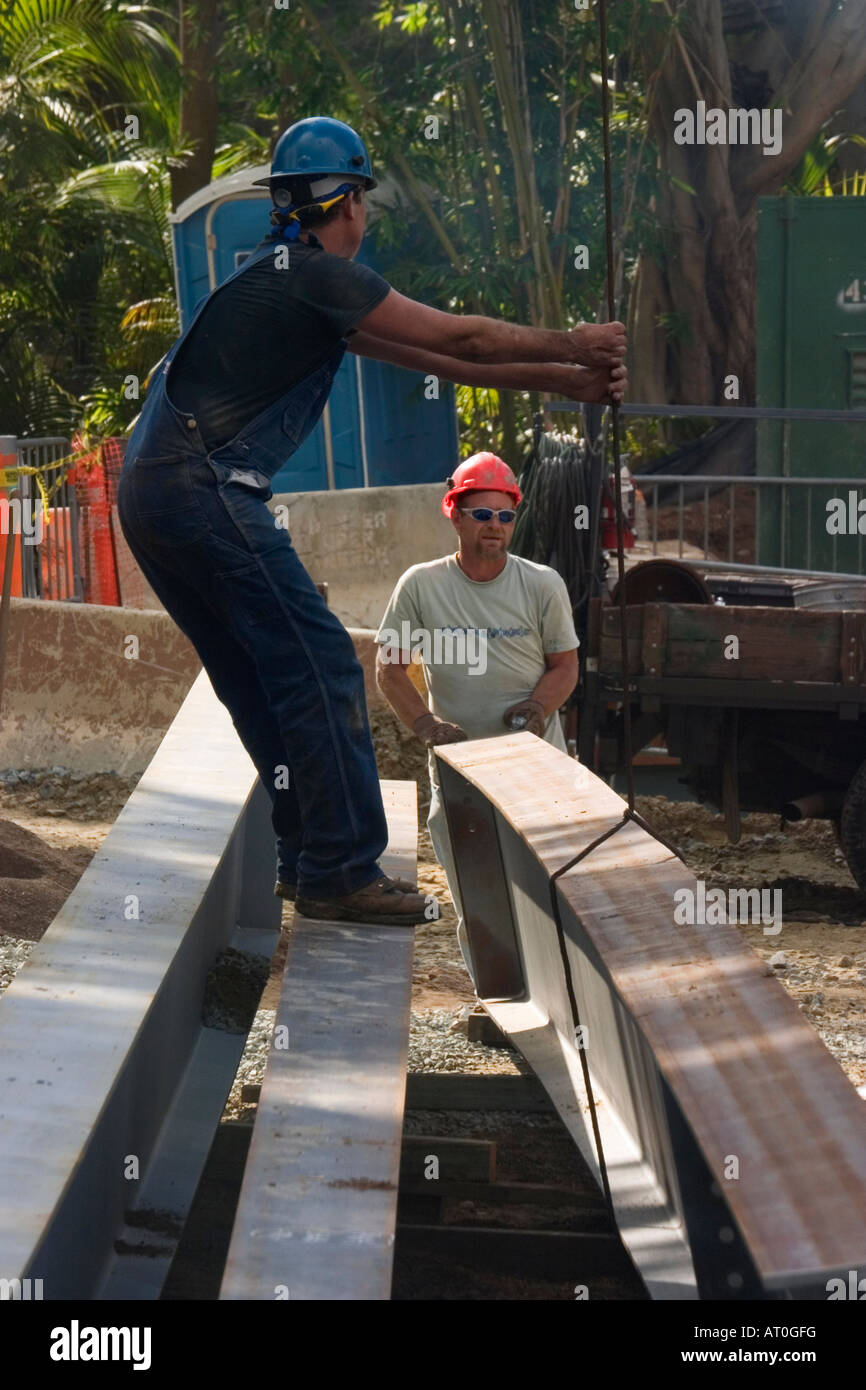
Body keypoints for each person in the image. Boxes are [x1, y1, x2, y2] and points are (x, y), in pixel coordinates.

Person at [116, 114, 626, 928]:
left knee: (261, 673)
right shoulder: (318, 277)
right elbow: (464, 335)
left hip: (150, 489)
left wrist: (570, 380)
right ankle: (342, 868)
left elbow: (447, 360)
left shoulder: (285, 279)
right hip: (201, 481)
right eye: (363, 201)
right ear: (347, 202)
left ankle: (309, 856)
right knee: (320, 655)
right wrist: (578, 340)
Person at [375, 453, 582, 980]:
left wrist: (537, 707)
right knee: (478, 890)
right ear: (455, 515)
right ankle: (499, 997)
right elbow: (390, 670)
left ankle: (559, 998)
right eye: (482, 514)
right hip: (461, 772)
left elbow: (565, 667)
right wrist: (426, 726)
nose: (495, 527)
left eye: (505, 516)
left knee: (548, 888)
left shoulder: (541, 585)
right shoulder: (422, 586)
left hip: (538, 767)